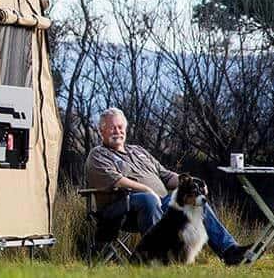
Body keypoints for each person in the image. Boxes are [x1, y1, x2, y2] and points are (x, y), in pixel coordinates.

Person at [84, 107, 251, 265]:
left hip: (160, 203)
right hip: (122, 210)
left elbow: (166, 176)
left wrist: (192, 182)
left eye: (120, 127)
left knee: (195, 199)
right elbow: (117, 180)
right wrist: (147, 190)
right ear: (101, 131)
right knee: (148, 199)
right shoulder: (99, 154)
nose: (117, 131)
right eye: (112, 128)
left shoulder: (138, 151)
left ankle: (230, 251)